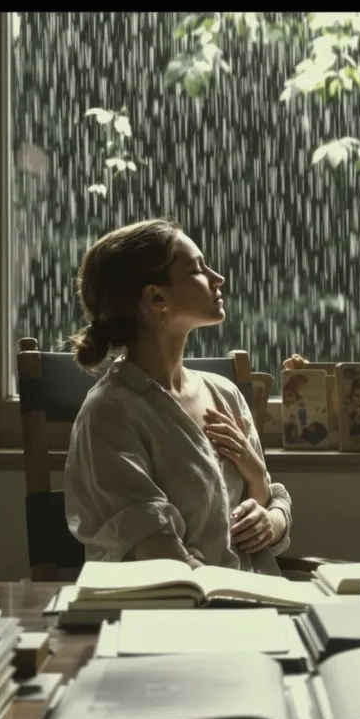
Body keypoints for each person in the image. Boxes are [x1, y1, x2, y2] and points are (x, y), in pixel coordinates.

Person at [63, 218, 293, 574]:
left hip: (248, 601)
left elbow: (260, 510)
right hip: (171, 612)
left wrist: (266, 501)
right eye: (197, 270)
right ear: (157, 297)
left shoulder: (225, 394)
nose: (218, 278)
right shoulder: (110, 413)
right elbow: (162, 557)